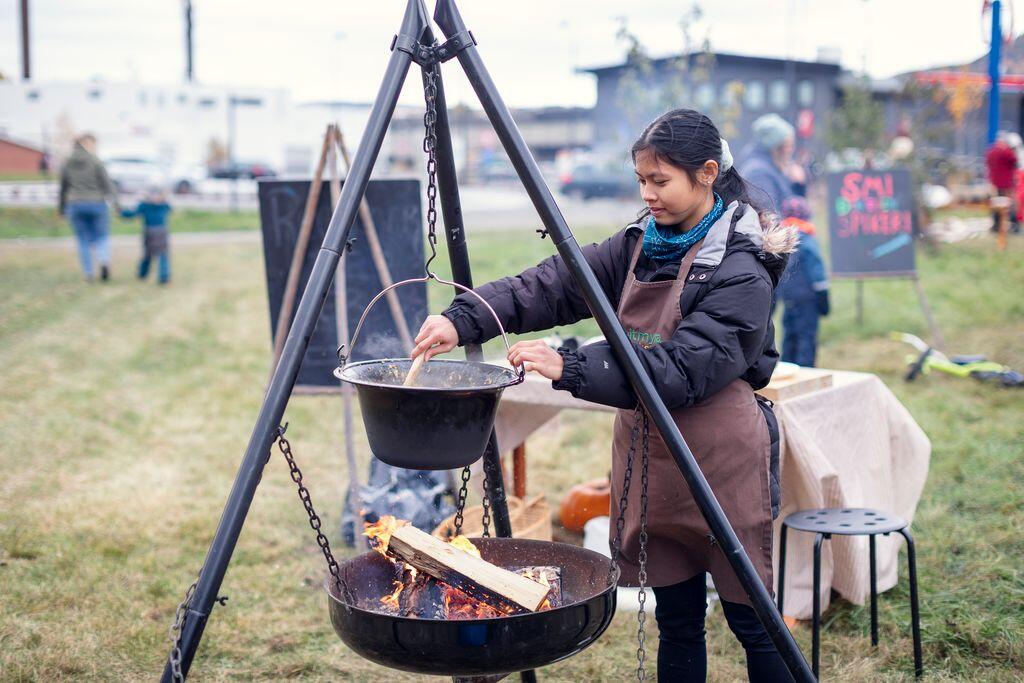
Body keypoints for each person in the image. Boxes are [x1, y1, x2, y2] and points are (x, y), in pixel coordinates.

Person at [413, 108, 797, 683]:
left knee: (754, 622)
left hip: (720, 459)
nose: (648, 194)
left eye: (660, 181)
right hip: (652, 456)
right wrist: (463, 320)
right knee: (678, 618)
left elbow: (679, 372)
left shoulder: (742, 268)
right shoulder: (638, 245)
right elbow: (549, 285)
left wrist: (568, 365)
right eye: (641, 180)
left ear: (708, 173)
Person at [776, 196, 829, 367]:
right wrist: (823, 296)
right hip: (807, 298)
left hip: (788, 296)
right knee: (806, 335)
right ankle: (806, 371)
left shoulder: (782, 238)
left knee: (789, 334)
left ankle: (787, 368)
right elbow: (817, 270)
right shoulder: (807, 239)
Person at [59, 133, 117, 282]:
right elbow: (107, 184)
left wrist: (61, 208)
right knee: (101, 236)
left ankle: (88, 273)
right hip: (97, 203)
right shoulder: (95, 161)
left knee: (83, 240)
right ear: (85, 143)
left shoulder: (67, 162)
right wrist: (117, 204)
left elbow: (63, 188)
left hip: (75, 204)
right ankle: (103, 260)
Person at [741, 113, 800, 212]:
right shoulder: (759, 174)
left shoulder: (771, 168)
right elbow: (769, 217)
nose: (791, 150)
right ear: (776, 147)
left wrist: (798, 185)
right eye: (788, 145)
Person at [121, 186, 173, 284]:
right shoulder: (163, 205)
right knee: (158, 254)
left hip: (152, 231)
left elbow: (132, 213)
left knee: (151, 254)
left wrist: (122, 213)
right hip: (159, 231)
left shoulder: (146, 205)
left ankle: (146, 274)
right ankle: (161, 275)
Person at [985, 131, 1018, 233]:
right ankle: (1013, 224)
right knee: (1009, 204)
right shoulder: (1006, 152)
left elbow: (988, 163)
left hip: (994, 183)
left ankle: (996, 225)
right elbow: (1014, 161)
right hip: (1006, 183)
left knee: (996, 204)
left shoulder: (991, 151)